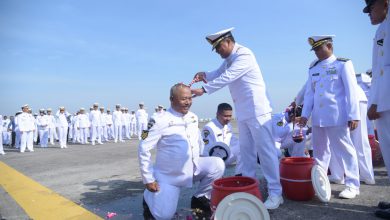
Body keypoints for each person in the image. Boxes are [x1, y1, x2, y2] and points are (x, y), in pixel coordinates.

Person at [191, 27, 282, 209]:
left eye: (219, 48)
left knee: (266, 153)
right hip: (243, 111)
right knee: (246, 153)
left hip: (257, 111)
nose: (218, 52)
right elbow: (218, 72)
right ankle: (249, 189)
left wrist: (204, 89)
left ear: (228, 42)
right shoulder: (229, 59)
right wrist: (205, 76)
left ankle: (276, 193)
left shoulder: (244, 55)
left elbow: (228, 76)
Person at [139, 83, 225, 219]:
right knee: (163, 216)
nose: (188, 102)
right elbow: (144, 148)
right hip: (169, 177)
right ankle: (149, 197)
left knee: (217, 164)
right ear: (172, 99)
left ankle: (201, 197)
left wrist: (203, 156)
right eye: (183, 99)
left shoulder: (193, 117)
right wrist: (148, 179)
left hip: (192, 169)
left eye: (190, 98)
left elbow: (198, 141)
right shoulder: (158, 120)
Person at [299, 35, 361, 199]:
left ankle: (353, 185)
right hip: (318, 118)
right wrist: (305, 114)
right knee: (320, 152)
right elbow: (309, 95)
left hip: (337, 116)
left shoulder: (342, 64)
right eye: (315, 50)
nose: (317, 52)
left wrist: (354, 115)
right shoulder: (313, 69)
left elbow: (351, 91)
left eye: (320, 48)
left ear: (329, 46)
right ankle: (321, 181)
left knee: (345, 150)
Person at [363, 0, 390, 218]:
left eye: (371, 8)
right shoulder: (384, 27)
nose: (369, 13)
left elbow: (387, 71)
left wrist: (376, 103)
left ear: (385, 3)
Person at [201, 103, 242, 175]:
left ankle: (239, 175)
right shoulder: (208, 128)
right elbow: (206, 151)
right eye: (225, 116)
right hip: (214, 160)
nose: (228, 119)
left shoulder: (228, 126)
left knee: (244, 145)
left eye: (230, 116)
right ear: (217, 114)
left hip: (226, 156)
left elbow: (234, 141)